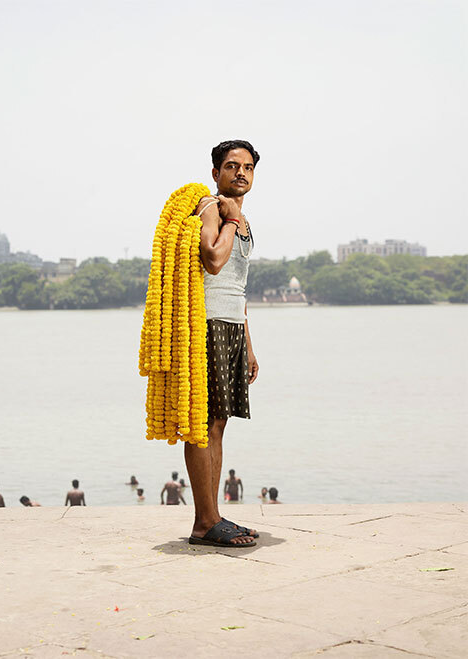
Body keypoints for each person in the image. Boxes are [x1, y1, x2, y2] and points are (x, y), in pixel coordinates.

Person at [184, 140, 262, 548]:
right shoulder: (211, 209)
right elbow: (213, 259)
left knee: (219, 424)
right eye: (231, 166)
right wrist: (230, 221)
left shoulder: (244, 219)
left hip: (232, 324)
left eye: (247, 167)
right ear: (216, 173)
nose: (240, 173)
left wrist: (248, 345)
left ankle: (212, 516)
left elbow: (239, 288)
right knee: (203, 425)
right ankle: (203, 522)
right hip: (208, 324)